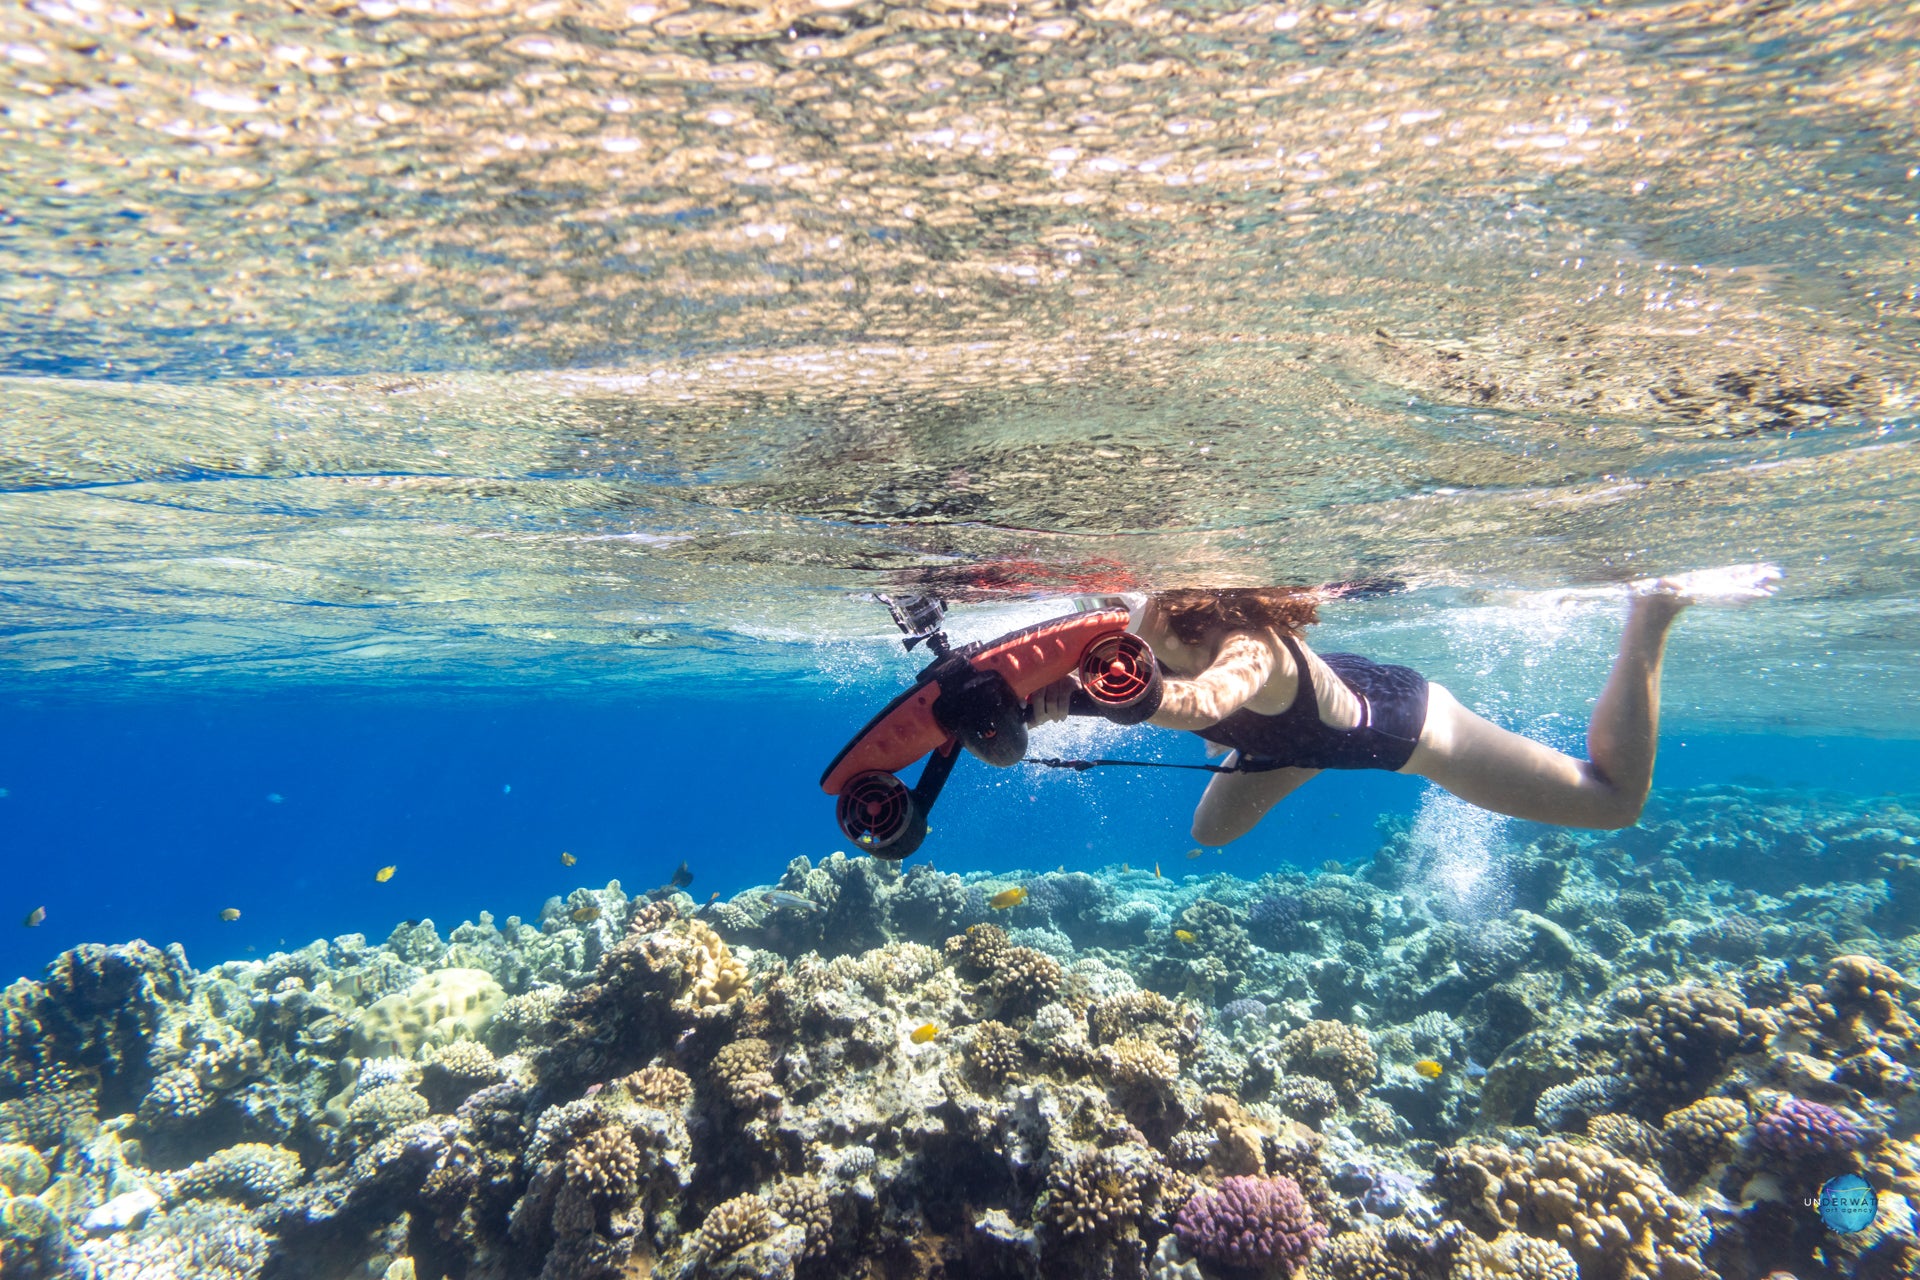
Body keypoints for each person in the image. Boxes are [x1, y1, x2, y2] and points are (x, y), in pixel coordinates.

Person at [1028, 567, 1780, 844]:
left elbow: (1201, 703)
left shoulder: (1246, 645)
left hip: (1402, 724)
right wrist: (1040, 704)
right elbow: (1156, 693)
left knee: (1614, 803)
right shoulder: (1143, 635)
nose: (1124, 644)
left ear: (1187, 611)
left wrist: (1115, 695)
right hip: (1292, 732)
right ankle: (1300, 758)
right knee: (1209, 834)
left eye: (1139, 633)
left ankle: (1652, 612)